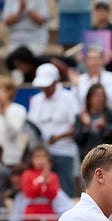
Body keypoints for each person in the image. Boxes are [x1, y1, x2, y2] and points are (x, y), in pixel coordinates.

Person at [27, 63, 80, 197]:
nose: (44, 88)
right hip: (42, 154)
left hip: (63, 151)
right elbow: (32, 125)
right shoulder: (36, 100)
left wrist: (59, 136)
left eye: (47, 84)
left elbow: (76, 126)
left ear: (56, 81)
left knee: (65, 190)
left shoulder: (68, 98)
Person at [21, 147, 59, 221]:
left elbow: (52, 194)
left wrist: (46, 180)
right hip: (34, 212)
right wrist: (42, 178)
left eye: (43, 157)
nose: (40, 160)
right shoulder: (28, 174)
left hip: (47, 211)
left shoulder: (53, 176)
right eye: (37, 157)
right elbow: (30, 192)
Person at [74, 83, 112, 163]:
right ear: (89, 98)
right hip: (88, 159)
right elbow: (77, 139)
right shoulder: (81, 116)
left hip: (109, 158)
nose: (99, 99)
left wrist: (104, 126)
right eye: (96, 95)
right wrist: (85, 126)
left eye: (101, 95)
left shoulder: (110, 113)